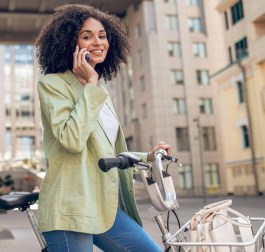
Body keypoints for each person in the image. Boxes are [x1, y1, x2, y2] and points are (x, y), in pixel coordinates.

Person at [35, 4, 171, 252]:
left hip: (101, 205)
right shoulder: (52, 84)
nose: (98, 42)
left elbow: (105, 150)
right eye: (86, 36)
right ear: (69, 43)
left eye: (102, 35)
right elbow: (72, 139)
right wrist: (91, 83)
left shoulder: (99, 93)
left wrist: (147, 156)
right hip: (71, 207)